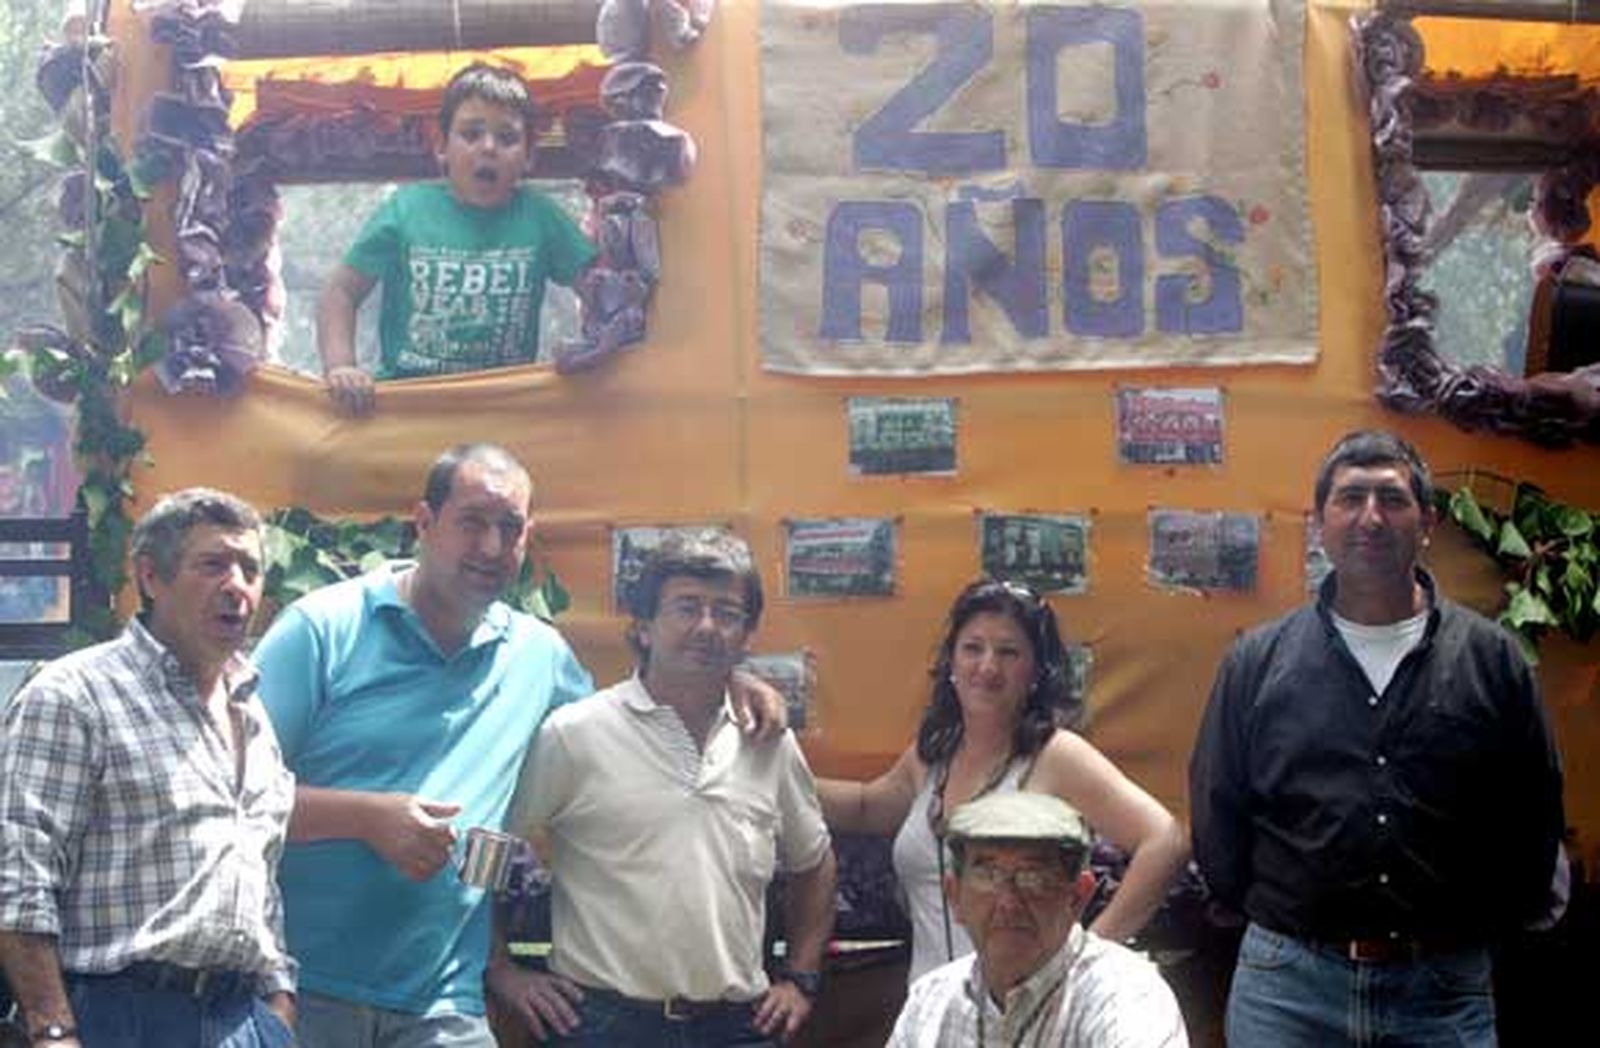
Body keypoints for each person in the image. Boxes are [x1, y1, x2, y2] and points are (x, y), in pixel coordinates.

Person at [252, 445, 787, 1047]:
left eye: (509, 529)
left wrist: (722, 677)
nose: (489, 546)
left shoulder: (539, 657)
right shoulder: (324, 630)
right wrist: (365, 818)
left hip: (445, 999)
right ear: (423, 523)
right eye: (472, 522)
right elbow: (229, 793)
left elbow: (628, 730)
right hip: (307, 984)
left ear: (526, 540)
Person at [1190, 429, 1566, 1047]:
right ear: (1321, 521)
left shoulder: (1491, 658)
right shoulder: (1257, 661)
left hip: (1442, 989)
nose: (1371, 518)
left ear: (1426, 522)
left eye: (1391, 500)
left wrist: (1477, 930)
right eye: (1351, 498)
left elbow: (1532, 815)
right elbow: (1218, 811)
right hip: (1288, 989)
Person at [490, 530, 837, 1046]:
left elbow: (814, 863)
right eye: (685, 607)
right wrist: (501, 970)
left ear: (748, 635)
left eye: (727, 612)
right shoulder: (577, 734)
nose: (706, 627)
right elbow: (486, 843)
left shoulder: (768, 741)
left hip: (739, 1025)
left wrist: (802, 979)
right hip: (602, 1024)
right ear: (644, 626)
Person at [0, 488, 296, 1048]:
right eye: (212, 565)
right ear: (151, 577)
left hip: (242, 1021)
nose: (237, 585)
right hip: (117, 1015)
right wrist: (52, 1028)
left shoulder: (252, 713)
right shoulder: (75, 695)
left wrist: (278, 1010)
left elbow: (261, 876)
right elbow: (18, 874)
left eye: (251, 569)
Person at [818, 579, 1188, 982]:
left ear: (1035, 671)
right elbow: (864, 806)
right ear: (951, 663)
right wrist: (776, 767)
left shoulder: (1057, 756)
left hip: (1031, 1020)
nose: (988, 667)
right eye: (973, 648)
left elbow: (1166, 841)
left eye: (1008, 652)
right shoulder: (933, 753)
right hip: (931, 1019)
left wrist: (1086, 959)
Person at [317, 63, 596, 415]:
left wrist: (598, 363)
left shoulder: (541, 216)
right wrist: (341, 367)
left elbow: (602, 293)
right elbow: (340, 292)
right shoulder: (407, 208)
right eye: (471, 133)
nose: (489, 147)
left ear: (529, 156)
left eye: (507, 138)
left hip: (504, 409)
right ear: (442, 147)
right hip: (406, 404)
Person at [887, 792, 1187, 1047]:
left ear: (1078, 897)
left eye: (1034, 877)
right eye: (988, 874)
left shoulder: (1127, 996)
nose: (1008, 901)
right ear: (954, 896)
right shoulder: (930, 1001)